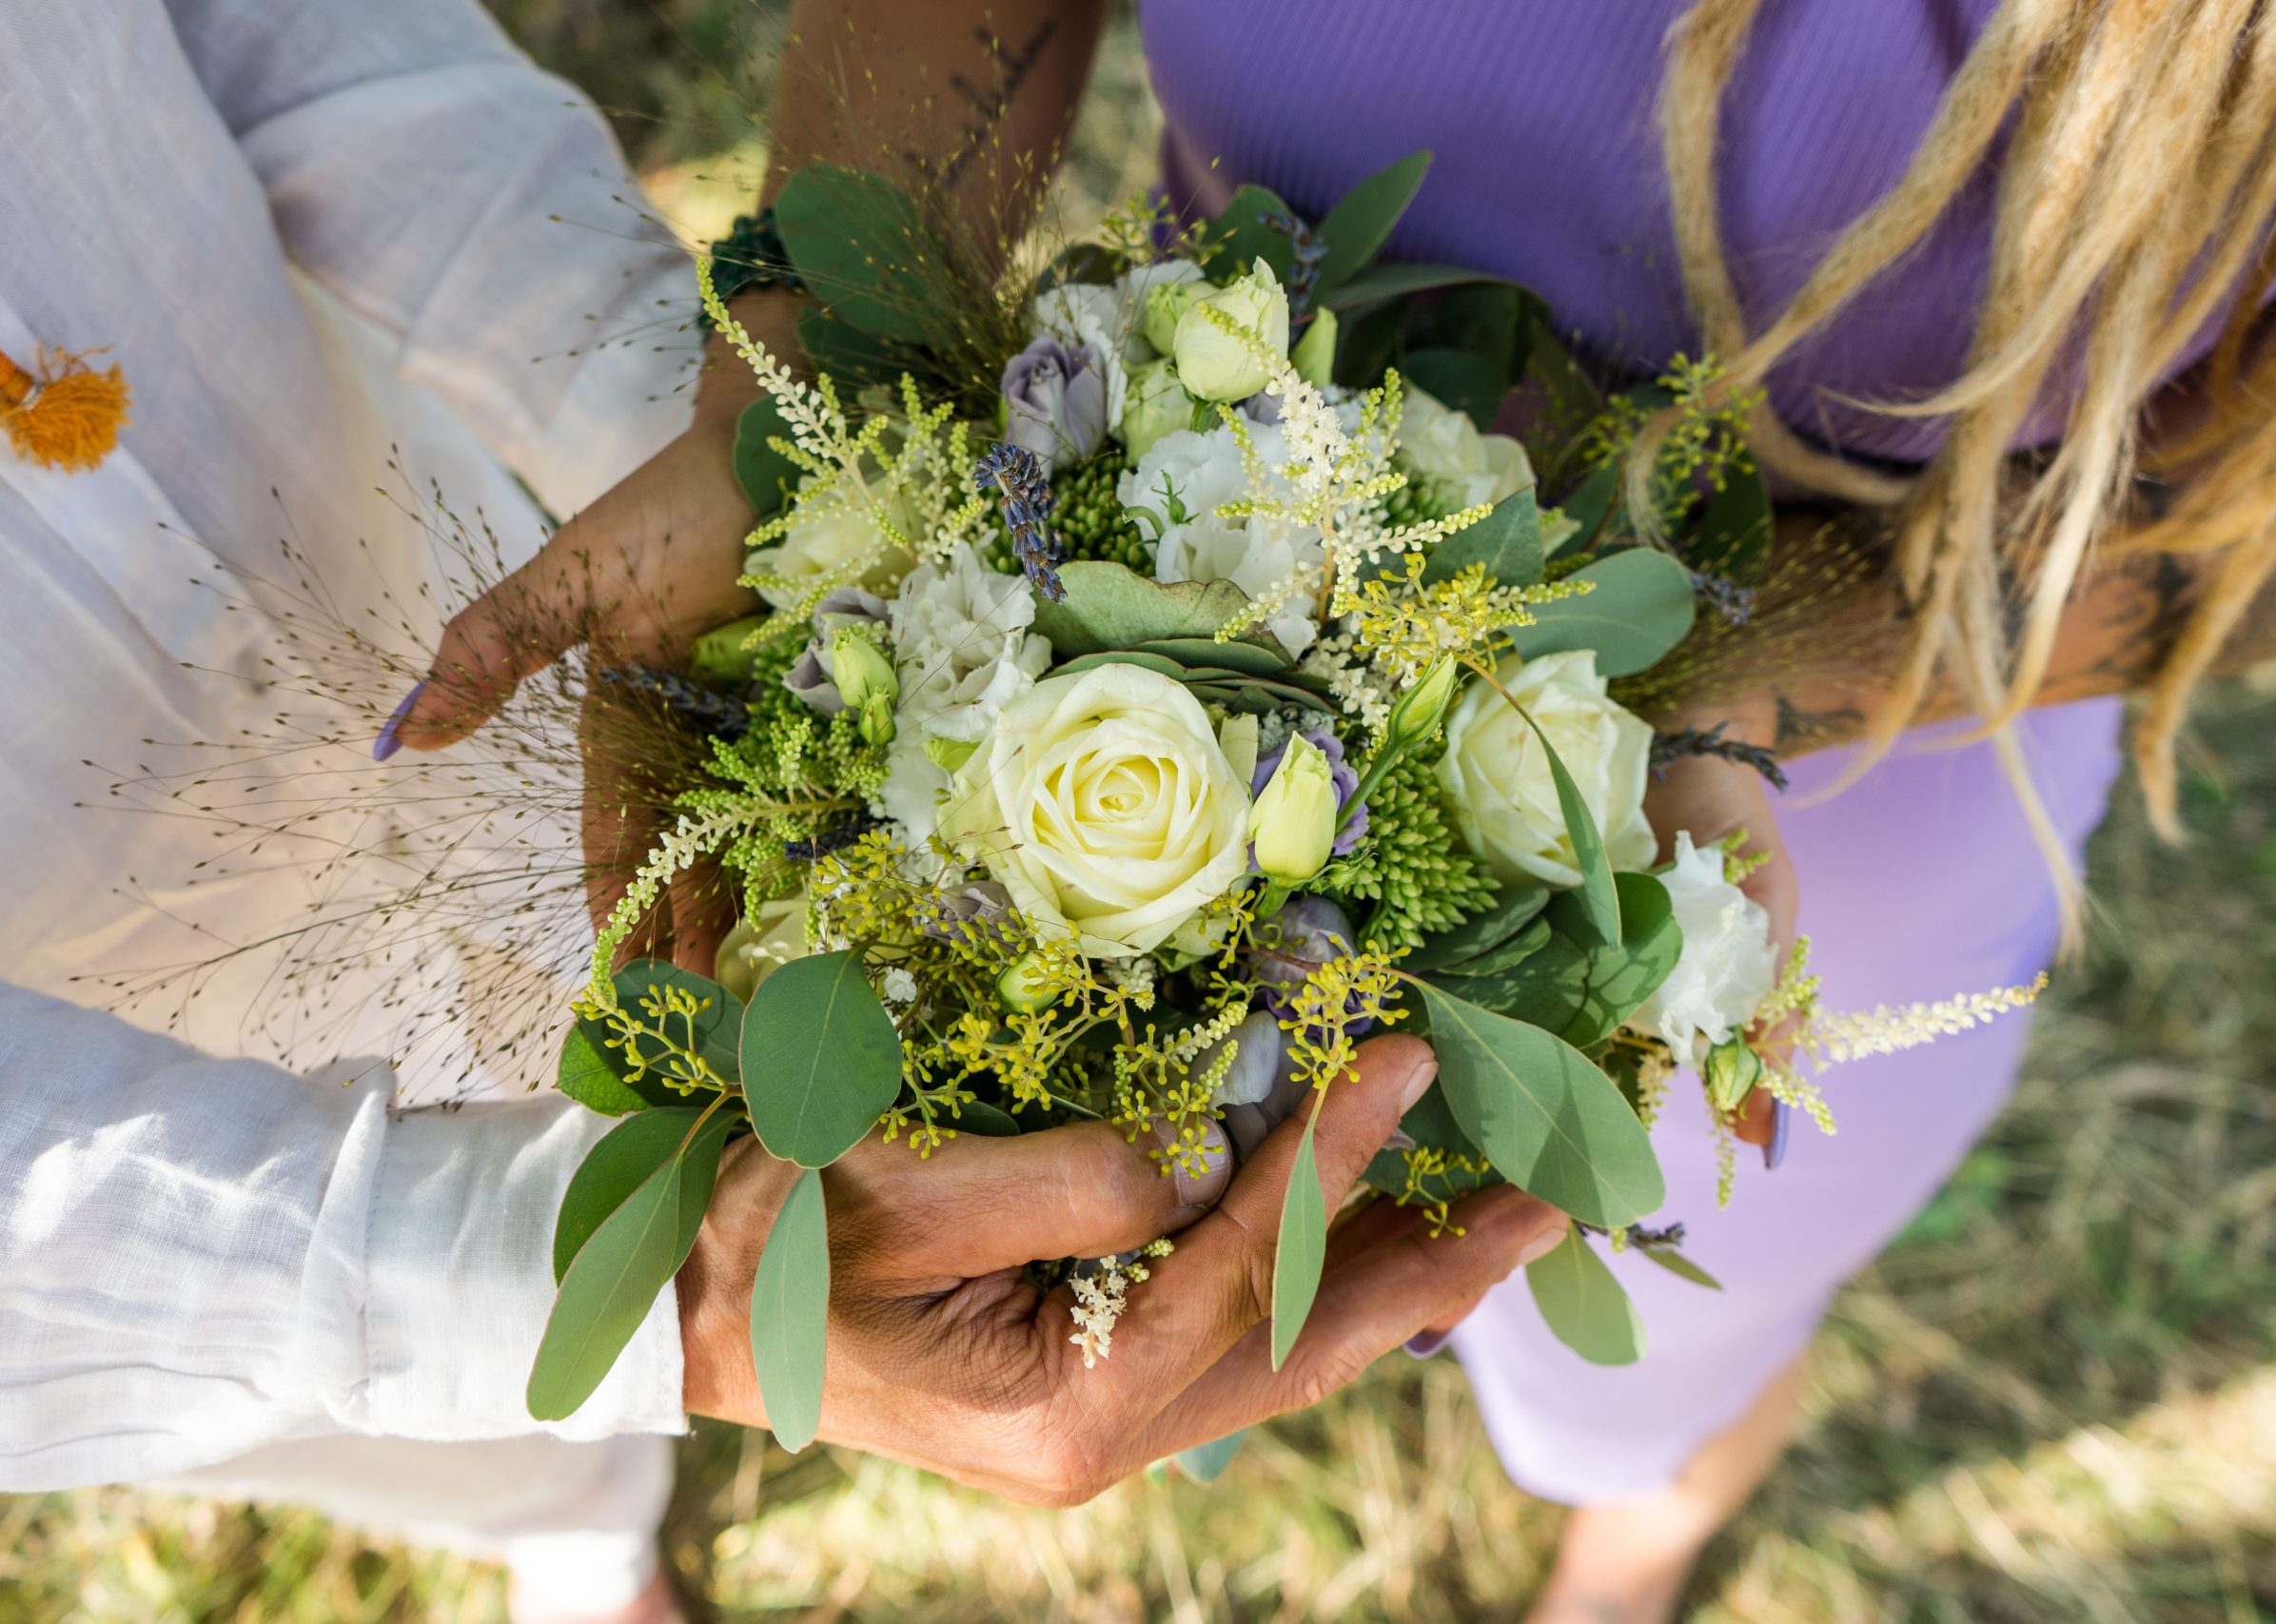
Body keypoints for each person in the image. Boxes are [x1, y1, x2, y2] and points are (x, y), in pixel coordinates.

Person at [419, 2, 2276, 1620]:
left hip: (1832, 757)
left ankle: (1620, 1540)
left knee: (1653, 1334)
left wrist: (1696, 675)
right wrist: (806, 382)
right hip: (1184, 482)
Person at [0, 10, 1562, 1624]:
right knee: (336, 1364)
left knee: (683, 1034)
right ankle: (577, 1546)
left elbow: (279, 37)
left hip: (465, 619)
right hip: (13, 1081)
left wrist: (781, 469)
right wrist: (598, 1300)